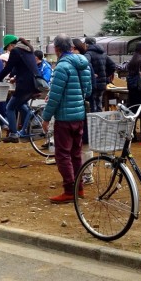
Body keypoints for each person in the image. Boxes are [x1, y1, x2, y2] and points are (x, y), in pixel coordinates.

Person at [41, 34, 92, 203]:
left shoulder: (61, 67)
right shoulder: (84, 65)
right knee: (76, 154)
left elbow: (55, 97)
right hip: (79, 116)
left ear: (57, 49)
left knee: (62, 155)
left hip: (64, 117)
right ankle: (79, 188)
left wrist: (46, 118)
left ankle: (69, 190)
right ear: (71, 47)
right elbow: (88, 90)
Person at [0, 34, 37, 138]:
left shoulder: (15, 51)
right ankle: (28, 126)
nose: (8, 50)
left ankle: (13, 134)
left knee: (9, 107)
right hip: (34, 83)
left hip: (25, 84)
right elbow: (25, 68)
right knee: (20, 105)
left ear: (11, 45)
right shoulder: (27, 50)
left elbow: (7, 69)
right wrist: (15, 78)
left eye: (7, 47)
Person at [84, 36, 117, 114]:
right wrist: (105, 75)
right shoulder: (103, 53)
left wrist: (92, 74)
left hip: (93, 83)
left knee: (93, 106)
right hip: (102, 84)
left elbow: (85, 63)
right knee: (99, 104)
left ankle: (94, 124)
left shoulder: (88, 54)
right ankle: (100, 124)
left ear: (86, 44)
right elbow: (113, 66)